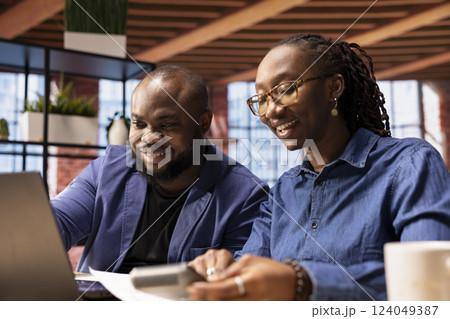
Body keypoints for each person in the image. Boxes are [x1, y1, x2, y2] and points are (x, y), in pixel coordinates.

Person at [187, 34, 450, 301]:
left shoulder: (409, 164)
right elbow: (250, 273)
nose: (271, 110)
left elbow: (433, 280)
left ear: (334, 87)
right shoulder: (283, 193)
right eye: (262, 99)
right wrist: (223, 271)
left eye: (286, 89)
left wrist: (303, 282)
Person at [51, 65, 268, 273]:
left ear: (203, 123)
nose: (149, 139)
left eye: (166, 125)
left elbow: (237, 277)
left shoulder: (245, 195)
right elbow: (58, 222)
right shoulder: (106, 170)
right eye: (139, 124)